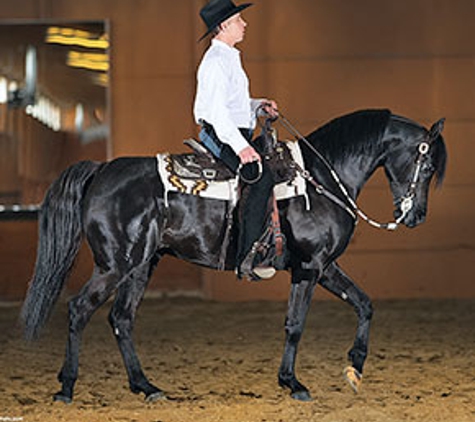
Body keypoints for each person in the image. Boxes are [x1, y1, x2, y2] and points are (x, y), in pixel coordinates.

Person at [194, 0, 279, 280]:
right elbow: (218, 113)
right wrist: (241, 147)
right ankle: (247, 257)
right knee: (260, 178)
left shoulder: (228, 57)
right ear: (223, 26)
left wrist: (257, 105)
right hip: (221, 134)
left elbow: (233, 105)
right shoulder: (217, 62)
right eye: (239, 20)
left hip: (233, 131)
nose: (245, 24)